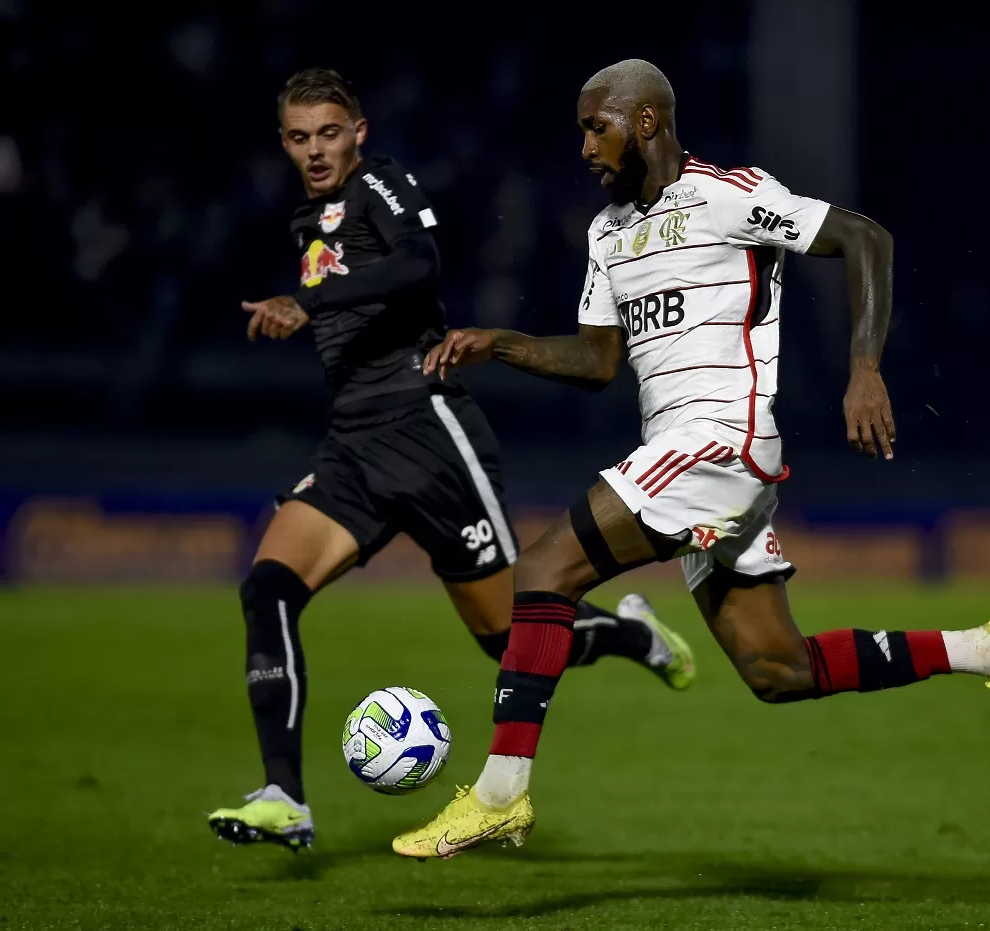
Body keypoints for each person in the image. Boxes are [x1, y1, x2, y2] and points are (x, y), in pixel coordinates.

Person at [392, 59, 990, 860]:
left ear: (644, 121)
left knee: (543, 569)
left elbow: (864, 236)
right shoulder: (607, 233)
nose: (582, 146)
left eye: (594, 125)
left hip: (722, 442)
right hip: (677, 453)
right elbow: (598, 361)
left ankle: (501, 794)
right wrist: (498, 343)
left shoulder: (727, 194)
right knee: (777, 668)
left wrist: (864, 368)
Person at [207, 68, 696, 852]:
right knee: (266, 591)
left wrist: (310, 302)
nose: (316, 150)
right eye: (299, 138)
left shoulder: (380, 185)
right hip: (353, 446)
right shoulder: (311, 218)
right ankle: (283, 795)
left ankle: (634, 635)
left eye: (329, 133)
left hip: (428, 431)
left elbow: (417, 266)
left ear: (357, 132)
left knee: (507, 638)